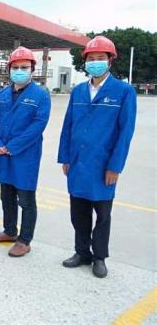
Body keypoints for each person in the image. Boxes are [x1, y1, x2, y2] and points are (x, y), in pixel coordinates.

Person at [58, 35, 137, 278]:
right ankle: (82, 252)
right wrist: (65, 157)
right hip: (78, 162)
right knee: (78, 212)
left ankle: (99, 257)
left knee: (102, 215)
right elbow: (68, 125)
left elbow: (125, 132)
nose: (95, 62)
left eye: (100, 58)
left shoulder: (123, 91)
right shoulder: (79, 91)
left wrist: (115, 166)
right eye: (91, 59)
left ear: (110, 61)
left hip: (103, 165)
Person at [0, 47, 51, 257]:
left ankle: (24, 240)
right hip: (2, 153)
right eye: (15, 67)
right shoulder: (3, 94)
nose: (19, 71)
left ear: (32, 69)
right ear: (9, 69)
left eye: (24, 67)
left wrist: (12, 146)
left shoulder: (41, 95)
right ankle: (10, 231)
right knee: (6, 196)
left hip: (24, 156)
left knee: (26, 199)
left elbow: (38, 125)